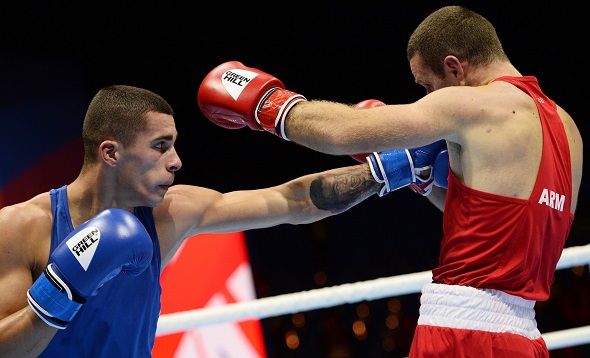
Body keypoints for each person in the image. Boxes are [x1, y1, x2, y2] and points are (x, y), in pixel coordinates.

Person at [197, 5, 583, 357]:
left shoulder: (475, 104)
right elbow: (501, 231)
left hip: (461, 333)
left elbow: (346, 131)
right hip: (524, 337)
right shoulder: (567, 130)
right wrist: (426, 180)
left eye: (427, 87)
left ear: (455, 67)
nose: (428, 97)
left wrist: (267, 104)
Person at [0, 84, 443, 357]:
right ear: (111, 152)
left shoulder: (171, 213)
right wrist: (56, 299)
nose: (176, 162)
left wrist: (392, 170)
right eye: (160, 146)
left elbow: (288, 202)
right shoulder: (23, 227)